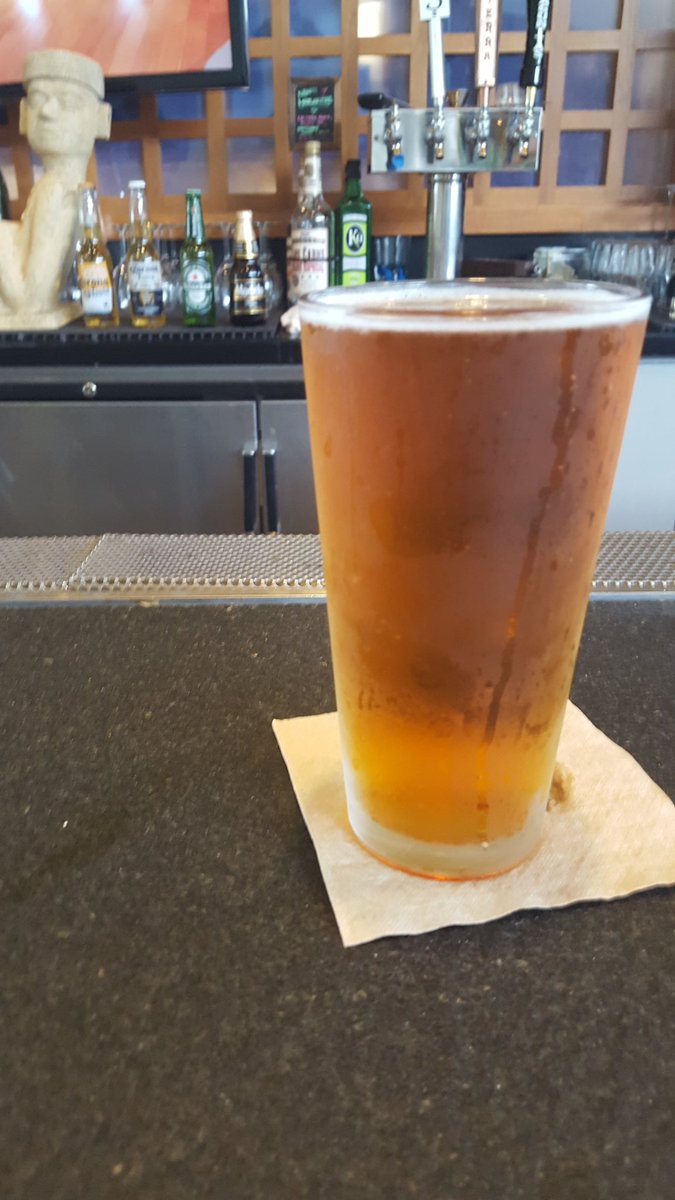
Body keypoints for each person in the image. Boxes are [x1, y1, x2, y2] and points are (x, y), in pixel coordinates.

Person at [0, 49, 111, 326]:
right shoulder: (64, 186)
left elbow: (31, 300)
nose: (47, 112)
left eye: (69, 101)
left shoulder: (57, 189)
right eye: (37, 99)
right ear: (24, 114)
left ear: (101, 120)